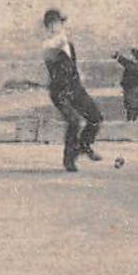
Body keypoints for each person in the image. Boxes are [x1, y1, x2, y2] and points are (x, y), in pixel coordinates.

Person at [42, 9, 102, 172]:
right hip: (59, 91)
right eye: (51, 24)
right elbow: (50, 55)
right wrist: (60, 43)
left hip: (75, 88)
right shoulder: (49, 45)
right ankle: (69, 159)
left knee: (96, 118)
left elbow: (72, 64)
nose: (55, 27)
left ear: (62, 24)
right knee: (74, 122)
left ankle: (83, 145)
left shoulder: (68, 44)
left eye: (57, 23)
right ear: (47, 27)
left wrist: (80, 75)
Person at [114, 48, 138, 122]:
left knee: (132, 103)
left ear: (134, 56)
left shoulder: (136, 66)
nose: (129, 56)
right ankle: (130, 118)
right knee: (128, 102)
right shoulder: (133, 64)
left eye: (131, 55)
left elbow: (126, 63)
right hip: (128, 87)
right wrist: (118, 56)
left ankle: (132, 118)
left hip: (132, 87)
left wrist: (119, 57)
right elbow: (124, 62)